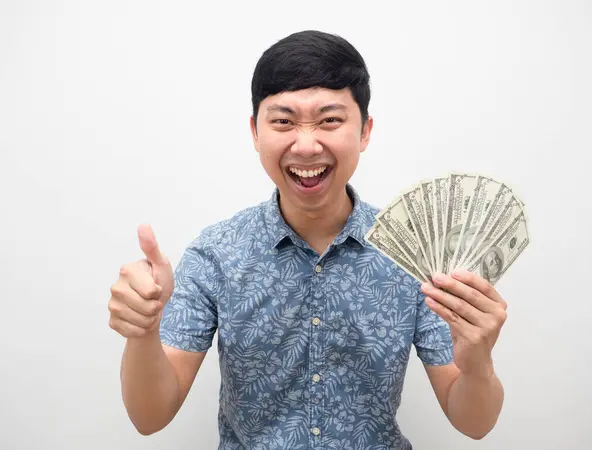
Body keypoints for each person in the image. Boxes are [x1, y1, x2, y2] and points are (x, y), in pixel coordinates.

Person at [108, 30, 508, 449]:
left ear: (365, 131)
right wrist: (143, 332)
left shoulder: (412, 255)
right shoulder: (216, 255)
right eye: (283, 121)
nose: (305, 144)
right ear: (255, 131)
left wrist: (478, 362)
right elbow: (150, 416)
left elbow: (474, 423)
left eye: (330, 120)